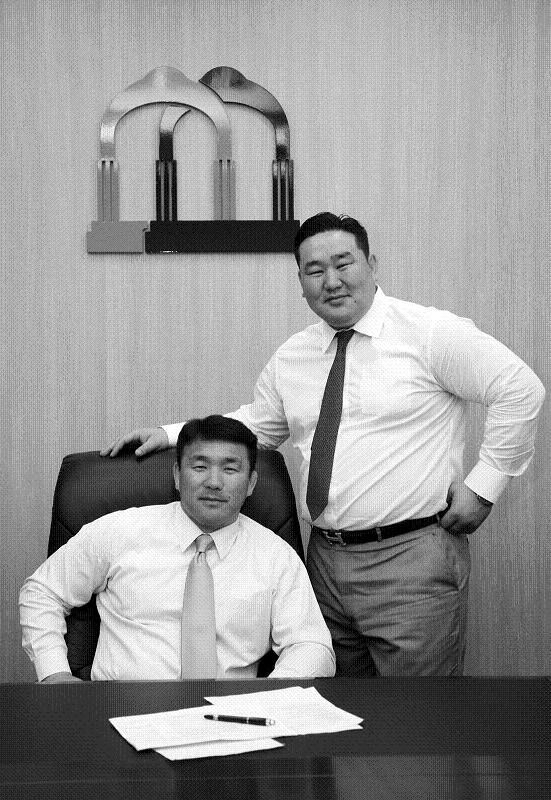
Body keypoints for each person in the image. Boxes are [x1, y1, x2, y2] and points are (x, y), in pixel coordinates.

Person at [101, 213, 545, 677]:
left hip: (411, 558)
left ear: (372, 264)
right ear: (301, 282)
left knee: (416, 713)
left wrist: (484, 487)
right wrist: (172, 434)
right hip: (323, 562)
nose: (331, 281)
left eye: (343, 263)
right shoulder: (294, 355)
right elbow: (259, 426)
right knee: (332, 706)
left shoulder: (429, 333)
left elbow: (519, 389)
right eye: (314, 270)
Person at [20, 415, 336, 682]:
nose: (214, 482)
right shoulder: (119, 531)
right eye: (199, 467)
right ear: (176, 475)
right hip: (124, 709)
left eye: (230, 469)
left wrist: (268, 699)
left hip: (231, 718)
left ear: (251, 483)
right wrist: (54, 673)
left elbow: (311, 645)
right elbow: (42, 591)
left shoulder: (275, 556)